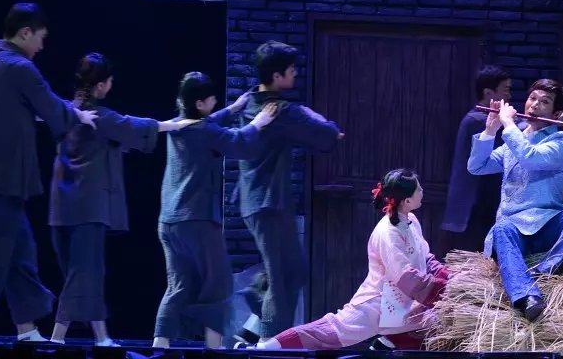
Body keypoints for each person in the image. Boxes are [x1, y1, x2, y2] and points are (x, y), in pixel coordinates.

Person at [47, 53, 199, 346]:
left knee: (88, 272)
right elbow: (133, 126)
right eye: (109, 81)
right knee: (83, 273)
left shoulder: (65, 112)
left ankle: (101, 336)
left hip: (61, 206)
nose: (111, 85)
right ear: (100, 85)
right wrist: (176, 125)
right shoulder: (100, 118)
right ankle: (57, 338)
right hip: (88, 208)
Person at [0, 3, 96, 341]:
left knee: (20, 254)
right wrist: (79, 115)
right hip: (2, 177)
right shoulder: (20, 68)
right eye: (40, 38)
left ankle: (26, 329)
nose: (42, 46)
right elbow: (50, 106)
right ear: (25, 32)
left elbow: (26, 108)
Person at [252, 169, 448, 351]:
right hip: (379, 302)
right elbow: (404, 275)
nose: (422, 191)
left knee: (434, 322)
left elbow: (424, 257)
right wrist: (442, 290)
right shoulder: (388, 232)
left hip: (405, 303)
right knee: (327, 334)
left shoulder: (411, 221)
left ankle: (387, 343)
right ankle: (266, 349)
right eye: (419, 189)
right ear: (407, 200)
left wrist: (447, 276)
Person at [152, 72, 280, 349]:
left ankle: (159, 346)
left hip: (169, 221)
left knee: (178, 286)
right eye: (211, 100)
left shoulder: (177, 126)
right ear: (200, 104)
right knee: (218, 283)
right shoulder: (206, 131)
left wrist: (233, 109)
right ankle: (214, 348)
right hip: (197, 219)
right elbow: (238, 143)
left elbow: (208, 124)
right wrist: (258, 122)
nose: (214, 103)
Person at [236, 41, 344, 340]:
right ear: (277, 75)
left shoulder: (250, 101)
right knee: (283, 277)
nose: (295, 73)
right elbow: (326, 135)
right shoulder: (281, 110)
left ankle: (252, 324)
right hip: (268, 203)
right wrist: (322, 121)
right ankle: (269, 344)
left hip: (259, 201)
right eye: (291, 69)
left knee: (293, 270)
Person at [468, 79, 563, 322]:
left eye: (545, 102)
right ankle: (528, 296)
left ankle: (548, 268)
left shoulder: (561, 140)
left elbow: (531, 158)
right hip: (514, 229)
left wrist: (509, 125)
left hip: (548, 224)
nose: (535, 105)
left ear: (556, 114)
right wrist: (490, 130)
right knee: (501, 228)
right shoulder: (514, 139)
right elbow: (477, 166)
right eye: (532, 99)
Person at [440, 65, 511, 253]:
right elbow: (515, 137)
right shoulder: (479, 120)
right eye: (505, 90)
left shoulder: (478, 119)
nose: (509, 96)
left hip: (479, 205)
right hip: (475, 207)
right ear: (488, 93)